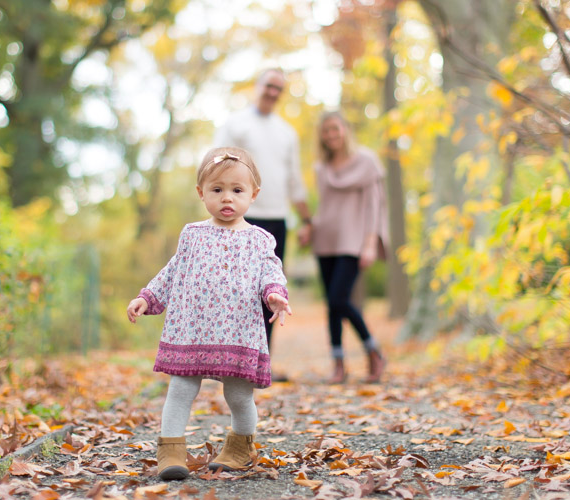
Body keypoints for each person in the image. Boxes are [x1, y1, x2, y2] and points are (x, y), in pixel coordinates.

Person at [126, 146, 293, 481]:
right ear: (202, 193)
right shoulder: (192, 234)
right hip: (192, 331)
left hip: (237, 332)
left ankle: (240, 446)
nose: (226, 198)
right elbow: (173, 271)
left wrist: (274, 294)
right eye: (217, 190)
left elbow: (270, 271)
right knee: (181, 389)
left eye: (236, 190)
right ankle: (170, 449)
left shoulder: (260, 240)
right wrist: (148, 296)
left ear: (253, 195)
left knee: (237, 395)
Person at [213, 68, 311, 367]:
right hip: (240, 218)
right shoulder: (236, 124)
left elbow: (294, 178)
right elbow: (215, 161)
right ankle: (228, 359)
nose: (272, 92)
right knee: (236, 290)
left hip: (277, 219)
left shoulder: (287, 132)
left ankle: (259, 361)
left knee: (270, 291)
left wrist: (306, 219)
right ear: (257, 86)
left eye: (278, 88)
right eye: (269, 85)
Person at [306, 112, 387, 384]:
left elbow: (373, 206)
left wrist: (370, 244)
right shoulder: (322, 168)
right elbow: (326, 208)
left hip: (354, 241)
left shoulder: (367, 161)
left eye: (335, 129)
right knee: (332, 305)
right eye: (325, 131)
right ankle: (339, 365)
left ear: (345, 129)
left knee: (339, 299)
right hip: (326, 240)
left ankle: (373, 350)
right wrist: (311, 227)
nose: (331, 135)